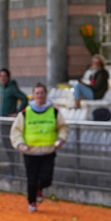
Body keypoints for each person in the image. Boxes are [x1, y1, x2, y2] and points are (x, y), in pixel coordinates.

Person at [10, 82, 69, 212]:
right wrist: (20, 144)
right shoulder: (25, 113)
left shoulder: (54, 112)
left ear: (46, 94)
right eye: (37, 93)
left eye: (42, 93)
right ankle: (32, 202)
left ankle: (40, 189)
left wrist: (60, 139)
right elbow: (16, 131)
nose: (39, 95)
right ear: (33, 95)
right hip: (31, 152)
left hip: (48, 151)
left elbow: (63, 127)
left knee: (47, 179)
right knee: (32, 179)